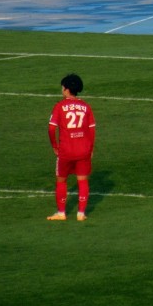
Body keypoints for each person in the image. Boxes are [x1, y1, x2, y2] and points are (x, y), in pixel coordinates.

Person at [47, 74, 96, 222]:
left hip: (66, 150)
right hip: (83, 149)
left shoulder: (60, 106)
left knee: (61, 180)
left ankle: (61, 212)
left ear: (67, 90)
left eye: (63, 87)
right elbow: (92, 129)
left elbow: (51, 128)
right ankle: (81, 213)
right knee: (83, 180)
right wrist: (91, 148)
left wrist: (55, 146)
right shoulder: (86, 106)